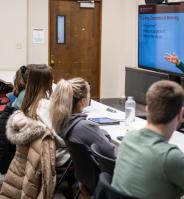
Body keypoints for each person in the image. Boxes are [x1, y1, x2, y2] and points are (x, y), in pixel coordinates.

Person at [0, 66, 57, 198]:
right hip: (40, 157)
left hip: (22, 162)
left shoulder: (27, 101)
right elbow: (56, 137)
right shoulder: (43, 106)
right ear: (47, 82)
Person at [49, 77, 115, 158]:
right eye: (89, 92)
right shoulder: (84, 126)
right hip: (95, 169)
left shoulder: (60, 119)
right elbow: (110, 152)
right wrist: (104, 135)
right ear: (83, 101)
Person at [20, 64, 70, 167]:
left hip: (36, 152)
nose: (53, 81)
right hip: (53, 153)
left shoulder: (29, 102)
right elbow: (59, 139)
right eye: (51, 79)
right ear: (46, 82)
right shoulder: (44, 106)